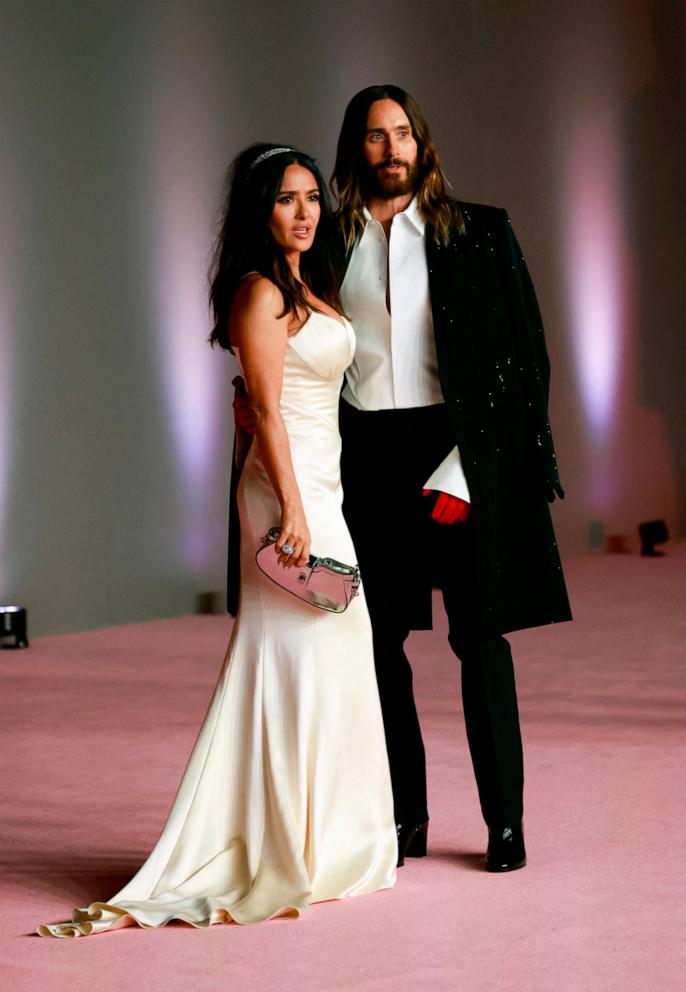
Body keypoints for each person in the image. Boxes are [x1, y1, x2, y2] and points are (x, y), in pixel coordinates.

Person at [38, 144, 396, 938]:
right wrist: (294, 513)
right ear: (256, 211)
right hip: (287, 494)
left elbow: (281, 398)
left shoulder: (306, 286)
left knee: (333, 655)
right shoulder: (257, 292)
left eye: (310, 197)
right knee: (291, 656)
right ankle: (280, 844)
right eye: (285, 199)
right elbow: (267, 413)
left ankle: (328, 836)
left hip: (320, 486)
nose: (304, 212)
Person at [232, 87, 572, 873]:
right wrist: (252, 396)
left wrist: (466, 471)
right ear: (356, 150)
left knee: (478, 640)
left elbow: (524, 367)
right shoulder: (329, 241)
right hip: (366, 459)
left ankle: (505, 824)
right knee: (375, 644)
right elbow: (286, 325)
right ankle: (403, 819)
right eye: (374, 138)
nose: (390, 150)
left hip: (456, 451)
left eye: (401, 134)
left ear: (421, 142)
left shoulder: (481, 234)